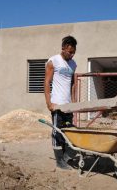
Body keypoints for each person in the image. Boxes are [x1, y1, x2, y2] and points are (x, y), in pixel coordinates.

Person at [44, 35, 77, 170]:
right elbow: (47, 82)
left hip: (68, 105)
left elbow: (73, 84)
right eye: (70, 52)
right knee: (57, 132)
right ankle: (59, 160)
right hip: (57, 104)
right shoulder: (53, 61)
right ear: (63, 48)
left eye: (74, 52)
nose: (72, 54)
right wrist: (49, 102)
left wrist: (74, 102)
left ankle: (66, 157)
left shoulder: (73, 64)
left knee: (68, 130)